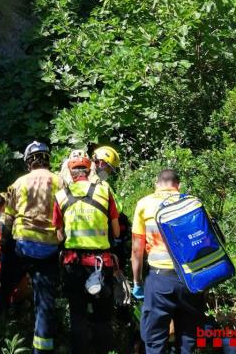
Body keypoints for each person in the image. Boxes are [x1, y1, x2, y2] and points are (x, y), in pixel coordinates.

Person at [0, 141, 62, 354]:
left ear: (29, 161)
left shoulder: (18, 183)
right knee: (45, 303)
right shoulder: (61, 182)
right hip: (49, 248)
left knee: (6, 282)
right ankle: (42, 348)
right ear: (47, 159)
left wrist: (2, 245)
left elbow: (6, 219)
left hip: (22, 245)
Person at [131, 169, 206, 354]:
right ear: (178, 185)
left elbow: (136, 250)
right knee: (187, 338)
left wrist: (137, 282)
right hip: (192, 278)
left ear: (157, 184)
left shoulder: (145, 204)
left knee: (155, 339)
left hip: (159, 279)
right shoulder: (192, 202)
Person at [54, 150, 120, 354]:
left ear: (70, 172)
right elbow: (116, 230)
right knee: (103, 318)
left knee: (77, 315)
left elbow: (59, 236)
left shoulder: (60, 196)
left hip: (73, 264)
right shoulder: (104, 190)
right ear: (90, 169)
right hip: (102, 264)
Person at [92, 145, 131, 271]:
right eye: (109, 169)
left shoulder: (76, 180)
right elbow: (117, 209)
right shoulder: (102, 184)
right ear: (101, 163)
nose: (108, 173)